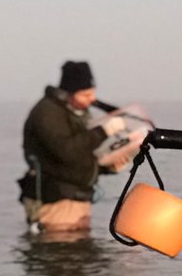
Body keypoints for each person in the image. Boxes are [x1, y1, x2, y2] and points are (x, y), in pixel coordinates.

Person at [18, 60, 130, 234]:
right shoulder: (47, 113)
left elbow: (82, 155)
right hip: (56, 201)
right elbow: (67, 151)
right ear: (69, 92)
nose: (92, 99)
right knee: (61, 254)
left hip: (78, 200)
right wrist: (104, 131)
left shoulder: (77, 112)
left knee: (79, 254)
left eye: (93, 93)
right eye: (85, 94)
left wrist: (107, 166)